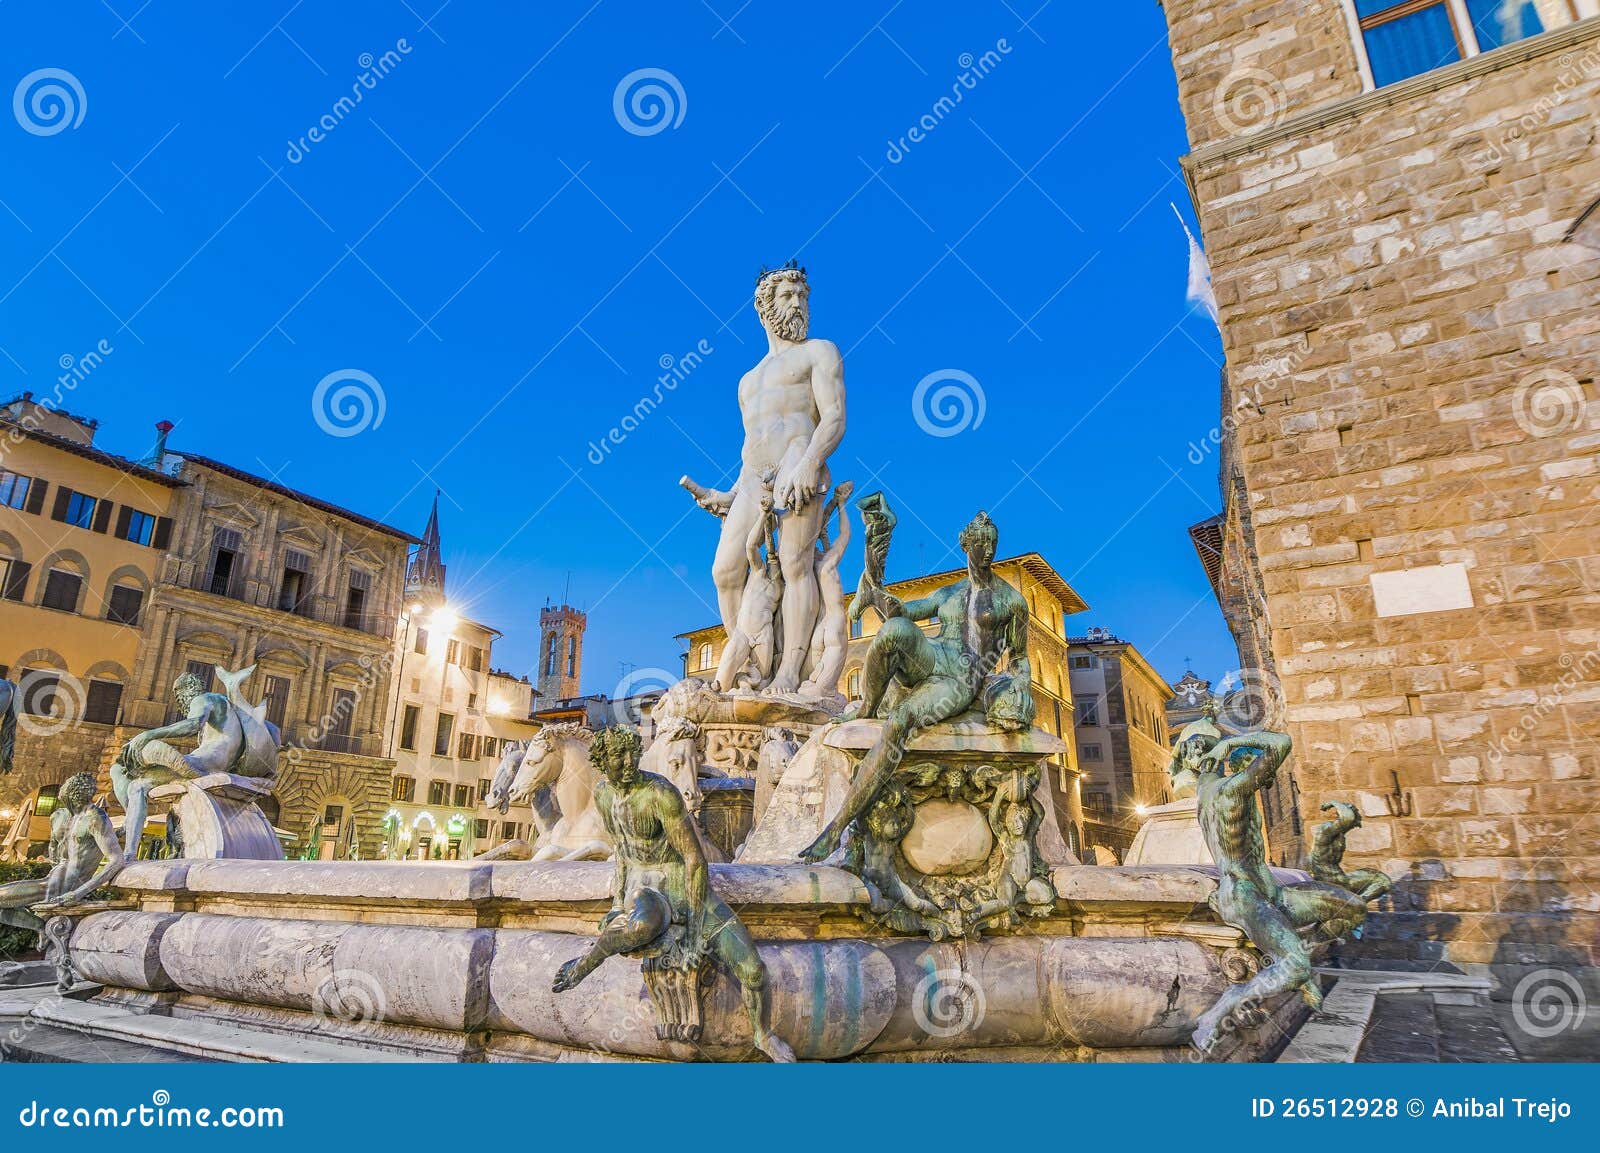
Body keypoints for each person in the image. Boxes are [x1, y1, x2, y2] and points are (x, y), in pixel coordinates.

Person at [800, 511, 1033, 864]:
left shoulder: (1011, 601)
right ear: (966, 545)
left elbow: (1019, 658)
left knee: (902, 720)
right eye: (981, 544)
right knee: (894, 631)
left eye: (992, 545)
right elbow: (905, 613)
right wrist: (878, 591)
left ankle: (837, 828)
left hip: (961, 678)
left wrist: (1021, 685)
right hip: (936, 656)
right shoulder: (949, 593)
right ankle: (867, 708)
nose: (988, 552)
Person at [551, 727, 794, 1062]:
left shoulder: (659, 793)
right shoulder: (604, 795)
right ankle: (584, 964)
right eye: (617, 756)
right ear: (602, 760)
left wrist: (695, 929)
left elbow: (695, 858)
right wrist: (618, 904)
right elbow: (622, 852)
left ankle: (761, 1034)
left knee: (753, 969)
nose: (627, 762)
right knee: (641, 927)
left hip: (689, 890)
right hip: (647, 889)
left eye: (630, 753)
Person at [683, 264, 846, 694]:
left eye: (802, 296)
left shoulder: (820, 352)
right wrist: (730, 494)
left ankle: (790, 672)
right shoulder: (747, 381)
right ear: (764, 308)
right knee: (725, 571)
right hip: (753, 480)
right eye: (788, 296)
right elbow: (751, 445)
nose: (798, 304)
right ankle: (752, 664)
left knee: (795, 566)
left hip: (799, 464)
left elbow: (834, 418)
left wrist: (811, 461)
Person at [1189, 729, 1368, 1054]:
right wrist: (1230, 742)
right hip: (1243, 896)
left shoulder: (1213, 793)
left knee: (1352, 907)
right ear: (1219, 759)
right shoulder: (1230, 792)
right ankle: (1222, 1008)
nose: (1263, 770)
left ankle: (1292, 961)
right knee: (1298, 965)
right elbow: (1280, 743)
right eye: (1256, 766)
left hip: (1268, 891)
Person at [113, 667, 280, 860]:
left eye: (178, 694)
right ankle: (129, 822)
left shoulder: (204, 699)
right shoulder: (223, 704)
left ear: (186, 689)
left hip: (203, 764)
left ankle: (128, 854)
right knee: (128, 774)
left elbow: (193, 724)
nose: (179, 701)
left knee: (134, 783)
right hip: (215, 762)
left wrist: (149, 734)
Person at [0, 773, 123, 935]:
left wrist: (78, 893)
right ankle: (43, 928)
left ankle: (43, 929)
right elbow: (56, 854)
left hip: (68, 887)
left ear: (72, 794)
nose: (61, 796)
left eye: (64, 792)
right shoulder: (64, 816)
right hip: (50, 881)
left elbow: (117, 860)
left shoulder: (95, 818)